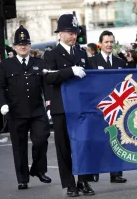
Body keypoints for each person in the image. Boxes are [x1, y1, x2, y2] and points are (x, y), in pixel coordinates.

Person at [43, 14, 95, 197]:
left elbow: (90, 77)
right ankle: (70, 184)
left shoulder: (81, 53)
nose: (74, 36)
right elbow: (48, 77)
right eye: (70, 32)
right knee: (64, 147)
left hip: (80, 106)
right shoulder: (52, 54)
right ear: (60, 34)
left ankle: (84, 181)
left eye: (75, 32)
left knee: (83, 144)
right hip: (61, 107)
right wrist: (69, 71)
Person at [0, 25, 52, 190]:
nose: (23, 46)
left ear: (30, 46)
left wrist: (49, 105)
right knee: (19, 147)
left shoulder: (38, 63)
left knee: (41, 140)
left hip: (36, 111)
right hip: (16, 112)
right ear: (14, 47)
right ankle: (22, 179)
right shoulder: (7, 65)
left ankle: (39, 169)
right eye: (20, 44)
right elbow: (0, 87)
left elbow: (46, 86)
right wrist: (3, 104)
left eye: (26, 44)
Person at [89, 30, 127, 183]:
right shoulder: (91, 61)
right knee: (98, 140)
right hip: (99, 107)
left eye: (111, 42)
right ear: (100, 44)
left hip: (117, 108)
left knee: (116, 140)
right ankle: (95, 171)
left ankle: (116, 173)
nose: (109, 44)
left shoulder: (120, 62)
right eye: (106, 42)